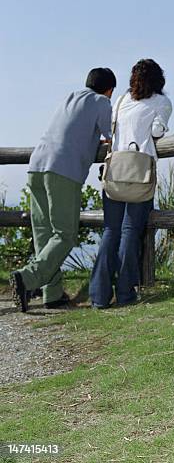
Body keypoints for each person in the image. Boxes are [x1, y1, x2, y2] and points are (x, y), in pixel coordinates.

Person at [10, 68, 116, 312]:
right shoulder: (102, 102)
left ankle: (52, 293)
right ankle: (26, 279)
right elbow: (114, 136)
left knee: (44, 234)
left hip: (37, 165)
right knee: (64, 234)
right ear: (109, 90)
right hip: (63, 170)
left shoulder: (71, 97)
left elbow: (72, 131)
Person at [89, 59, 172, 308]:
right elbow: (157, 132)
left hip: (115, 171)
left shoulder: (122, 101)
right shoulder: (162, 102)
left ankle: (98, 296)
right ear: (159, 79)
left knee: (110, 232)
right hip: (139, 173)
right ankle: (125, 294)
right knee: (129, 233)